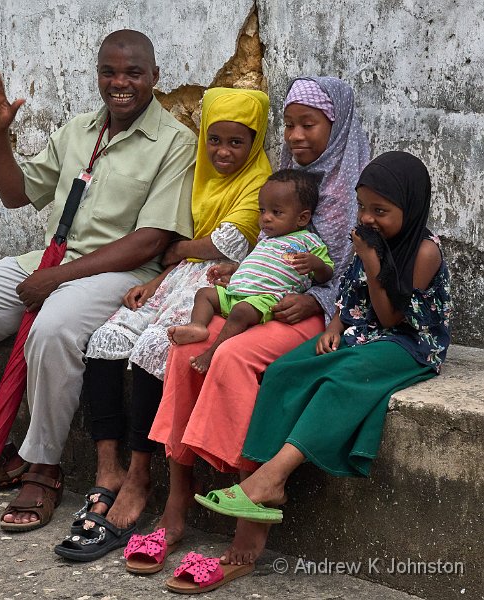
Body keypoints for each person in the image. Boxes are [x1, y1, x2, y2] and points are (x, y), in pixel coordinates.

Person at [0, 29, 197, 532]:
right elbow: (14, 194)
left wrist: (56, 279)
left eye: (133, 72)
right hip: (50, 260)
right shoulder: (77, 130)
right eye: (108, 72)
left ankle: (45, 467)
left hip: (119, 273)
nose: (120, 83)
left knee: (54, 326)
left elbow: (151, 241)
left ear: (155, 77)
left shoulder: (176, 142)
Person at [146, 76, 371, 574]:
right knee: (185, 351)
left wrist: (314, 298)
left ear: (337, 127)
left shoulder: (358, 187)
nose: (295, 136)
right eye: (289, 125)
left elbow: (359, 271)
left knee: (232, 355)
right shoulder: (291, 178)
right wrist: (240, 268)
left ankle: (247, 533)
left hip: (317, 315)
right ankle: (177, 506)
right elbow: (273, 242)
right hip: (264, 300)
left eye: (309, 124)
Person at [53, 87, 272, 561]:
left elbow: (224, 245)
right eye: (215, 140)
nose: (224, 152)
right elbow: (178, 239)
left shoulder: (261, 183)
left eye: (237, 143)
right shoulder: (196, 174)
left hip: (215, 287)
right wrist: (162, 274)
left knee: (156, 345)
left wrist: (179, 248)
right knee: (107, 338)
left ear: (254, 143)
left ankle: (138, 475)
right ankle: (106, 466)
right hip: (173, 279)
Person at [196, 152, 452, 553]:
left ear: (411, 206)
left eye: (380, 210)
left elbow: (389, 318)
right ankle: (263, 484)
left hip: (407, 342)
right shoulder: (368, 236)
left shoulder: (422, 252)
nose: (368, 218)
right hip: (359, 330)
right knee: (282, 371)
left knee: (341, 378)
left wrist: (371, 263)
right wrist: (335, 325)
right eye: (363, 207)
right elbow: (347, 291)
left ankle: (271, 480)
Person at [168, 169, 334, 373]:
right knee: (204, 294)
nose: (266, 218)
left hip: (266, 299)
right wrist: (232, 268)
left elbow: (327, 275)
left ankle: (211, 354)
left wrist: (316, 264)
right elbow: (254, 262)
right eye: (262, 210)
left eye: (276, 212)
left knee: (241, 312)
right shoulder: (265, 239)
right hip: (237, 292)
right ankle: (197, 326)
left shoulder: (309, 241)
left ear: (302, 218)